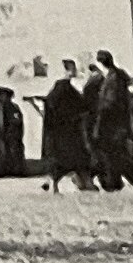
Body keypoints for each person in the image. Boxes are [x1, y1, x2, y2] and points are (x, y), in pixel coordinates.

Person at [91, 50, 133, 192]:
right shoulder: (117, 76)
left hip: (113, 125)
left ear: (101, 63)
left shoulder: (113, 79)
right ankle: (117, 182)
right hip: (117, 124)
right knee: (115, 155)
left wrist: (98, 109)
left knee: (116, 155)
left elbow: (111, 103)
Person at [42, 60, 96, 192]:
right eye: (72, 69)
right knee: (75, 158)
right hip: (67, 131)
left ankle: (76, 182)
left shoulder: (61, 90)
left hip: (64, 131)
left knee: (69, 159)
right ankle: (82, 182)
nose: (74, 72)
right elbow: (80, 105)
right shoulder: (64, 89)